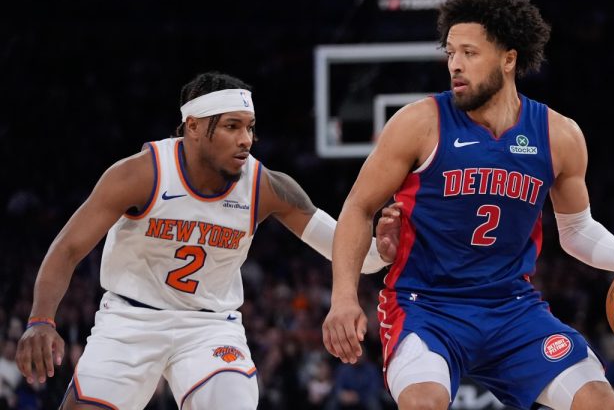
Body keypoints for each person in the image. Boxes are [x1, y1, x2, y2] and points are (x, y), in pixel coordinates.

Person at [322, 0, 614, 410]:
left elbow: (576, 231)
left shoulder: (559, 134)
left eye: (470, 53)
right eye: (450, 53)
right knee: (423, 404)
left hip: (513, 310)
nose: (455, 65)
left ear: (508, 59)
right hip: (426, 307)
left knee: (603, 404)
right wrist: (343, 298)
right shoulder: (419, 122)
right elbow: (358, 207)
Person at [15, 71, 399, 410]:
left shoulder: (265, 185)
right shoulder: (140, 174)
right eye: (232, 126)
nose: (246, 140)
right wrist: (40, 319)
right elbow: (68, 248)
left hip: (210, 326)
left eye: (249, 127)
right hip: (130, 318)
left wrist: (378, 252)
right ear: (194, 127)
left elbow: (346, 251)